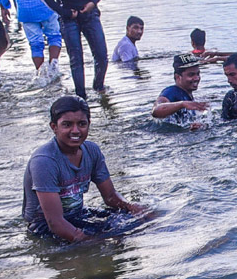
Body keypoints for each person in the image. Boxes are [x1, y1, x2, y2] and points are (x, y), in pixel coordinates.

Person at [21, 95, 148, 242]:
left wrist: (132, 207)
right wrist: (92, 241)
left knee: (137, 221)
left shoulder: (92, 151)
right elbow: (54, 222)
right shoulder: (44, 161)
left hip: (78, 215)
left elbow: (110, 197)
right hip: (44, 226)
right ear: (54, 127)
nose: (75, 131)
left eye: (81, 124)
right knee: (103, 242)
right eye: (67, 125)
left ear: (89, 124)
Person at [153, 53, 209, 122]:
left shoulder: (186, 92)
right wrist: (182, 104)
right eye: (191, 75)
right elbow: (156, 110)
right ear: (178, 77)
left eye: (198, 74)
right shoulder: (171, 92)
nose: (197, 78)